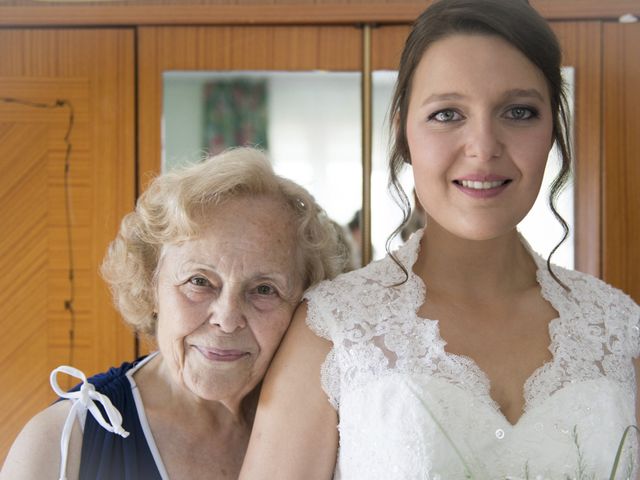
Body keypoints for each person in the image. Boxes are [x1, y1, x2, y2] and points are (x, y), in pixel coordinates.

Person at [239, 1, 640, 478]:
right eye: (448, 113)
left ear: (552, 131)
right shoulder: (332, 330)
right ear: (403, 135)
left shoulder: (619, 328)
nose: (484, 146)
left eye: (518, 111)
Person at [1, 147, 349, 480]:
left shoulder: (331, 427)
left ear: (303, 305)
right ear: (150, 283)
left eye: (263, 289)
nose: (227, 319)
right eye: (199, 281)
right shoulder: (61, 443)